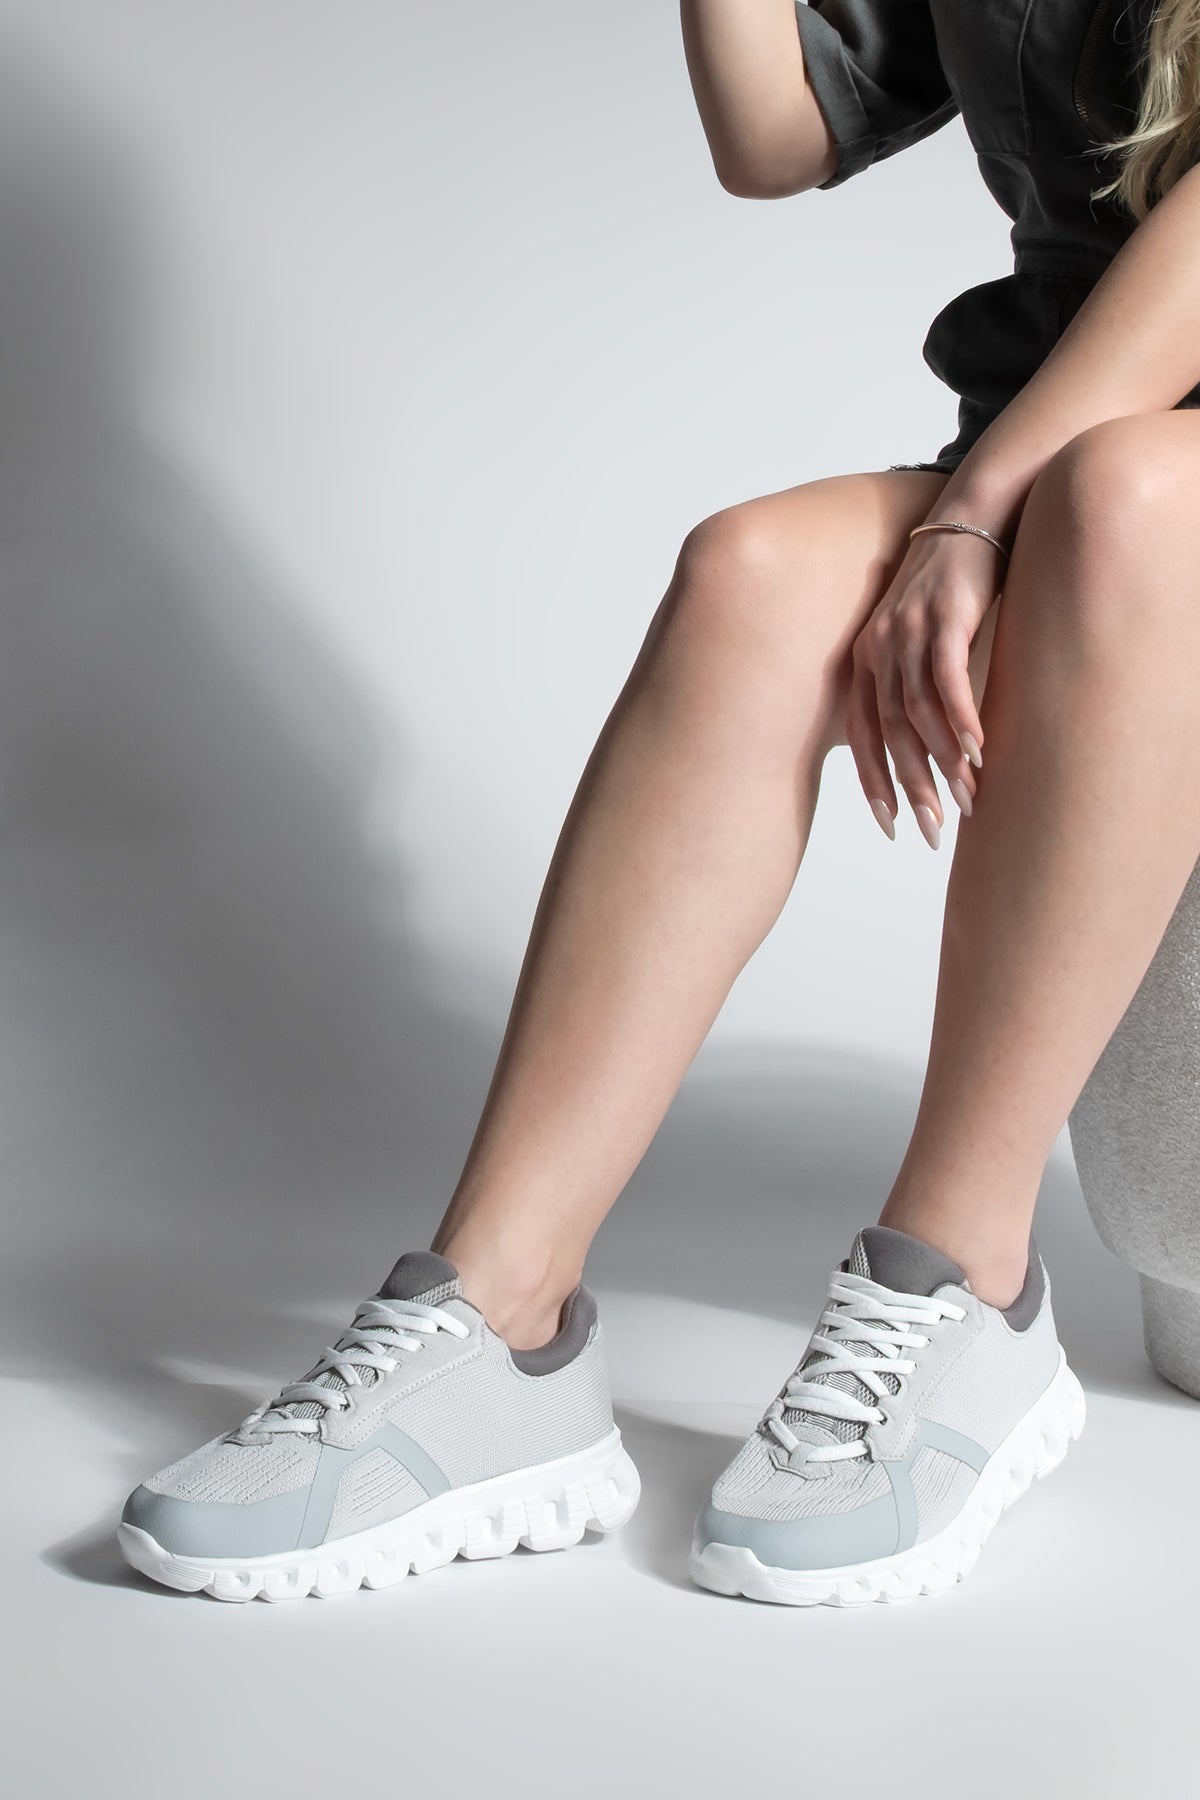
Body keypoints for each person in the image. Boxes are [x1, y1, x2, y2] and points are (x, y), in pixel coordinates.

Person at [117, 0, 1200, 1607]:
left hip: (1114, 479)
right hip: (1083, 458)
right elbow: (775, 135)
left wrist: (975, 513)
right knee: (748, 578)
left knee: (1129, 497)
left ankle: (967, 1276)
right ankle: (500, 1324)